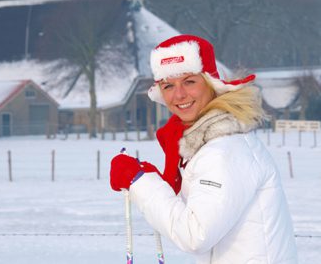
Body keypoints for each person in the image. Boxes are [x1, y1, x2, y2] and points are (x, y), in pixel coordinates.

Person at [110, 34, 298, 264]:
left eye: (189, 81)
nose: (179, 94)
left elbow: (195, 234)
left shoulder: (223, 150)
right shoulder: (210, 143)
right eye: (168, 85)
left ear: (210, 84)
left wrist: (139, 180)